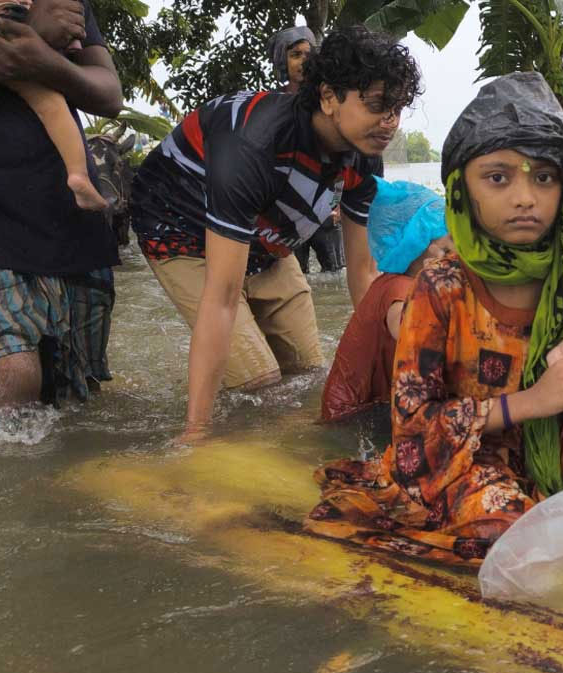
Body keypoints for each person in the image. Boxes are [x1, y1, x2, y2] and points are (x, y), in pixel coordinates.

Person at [304, 72, 563, 565]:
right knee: (509, 530)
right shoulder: (439, 288)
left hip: (548, 454)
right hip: (463, 465)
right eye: (498, 177)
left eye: (544, 177)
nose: (524, 197)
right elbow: (412, 433)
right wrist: (529, 401)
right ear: (463, 191)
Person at [129, 26, 420, 440]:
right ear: (328, 97)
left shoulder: (365, 158)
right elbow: (222, 298)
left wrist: (404, 349)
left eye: (397, 108)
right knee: (259, 384)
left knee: (307, 376)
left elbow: (364, 277)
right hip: (179, 224)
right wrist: (196, 432)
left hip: (266, 233)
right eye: (377, 105)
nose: (390, 122)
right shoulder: (255, 144)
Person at [0, 0, 123, 421]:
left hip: (73, 221)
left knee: (71, 403)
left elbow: (109, 93)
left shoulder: (64, 3)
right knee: (9, 389)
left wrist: (42, 57)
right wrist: (16, 34)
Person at [0, 0, 107, 218]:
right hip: (18, 43)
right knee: (52, 106)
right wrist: (32, 32)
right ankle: (78, 175)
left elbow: (110, 97)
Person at [320, 179, 449, 423]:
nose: (454, 260)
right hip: (350, 416)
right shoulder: (401, 292)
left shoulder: (391, 281)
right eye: (445, 250)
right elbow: (419, 342)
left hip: (356, 407)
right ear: (416, 246)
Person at [268, 25, 347, 274]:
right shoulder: (272, 107)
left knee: (335, 276)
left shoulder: (327, 102)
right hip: (286, 214)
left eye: (308, 54)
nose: (303, 60)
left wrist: (336, 205)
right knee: (295, 277)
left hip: (325, 209)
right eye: (295, 54)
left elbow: (341, 158)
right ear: (282, 60)